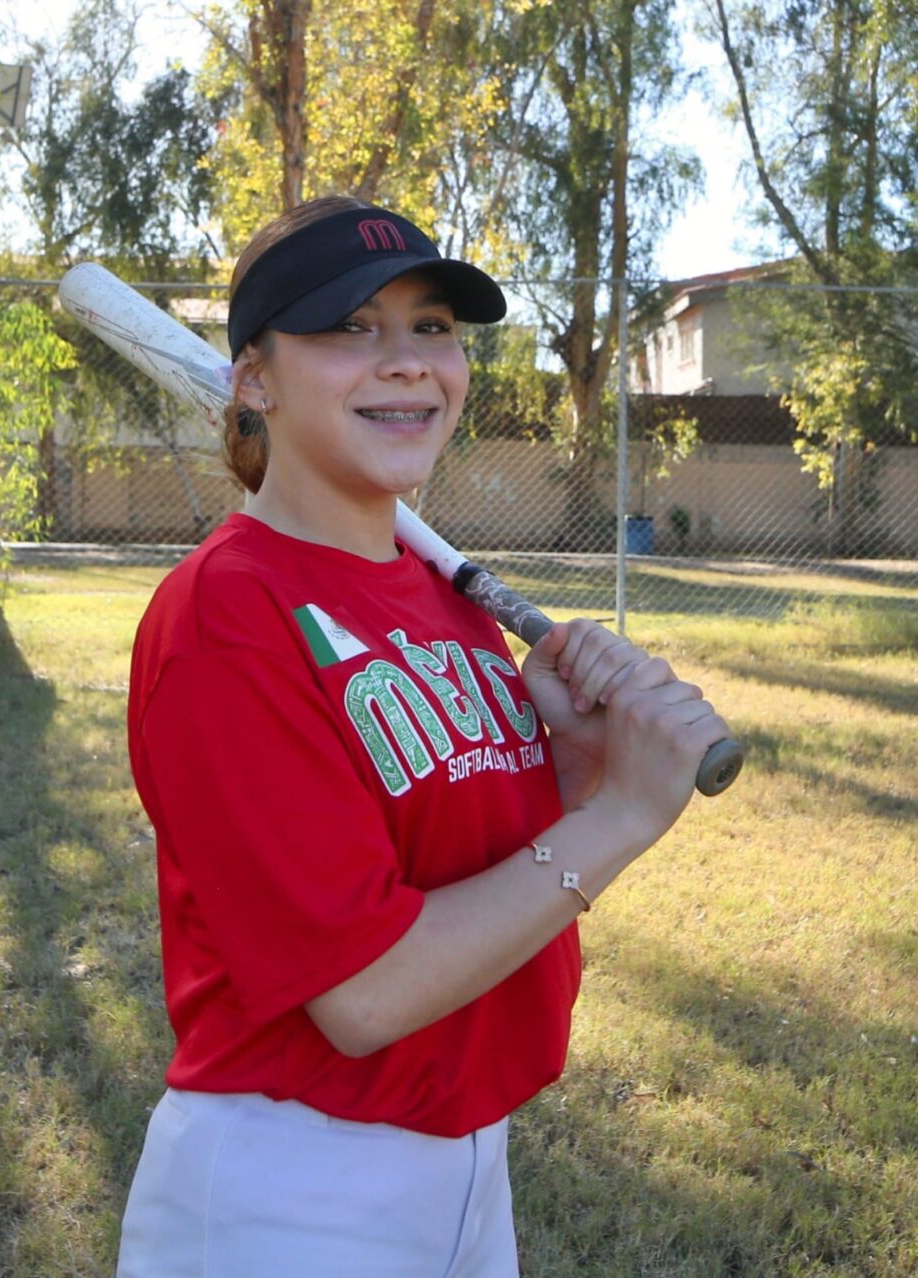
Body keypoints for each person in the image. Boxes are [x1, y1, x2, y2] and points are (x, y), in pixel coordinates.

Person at [115, 195, 729, 1278]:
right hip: (293, 1186)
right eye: (349, 327)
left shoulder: (438, 597)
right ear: (253, 379)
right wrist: (629, 819)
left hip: (471, 1171)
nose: (405, 362)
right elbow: (365, 994)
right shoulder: (225, 613)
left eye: (431, 327)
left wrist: (581, 777)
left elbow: (470, 868)